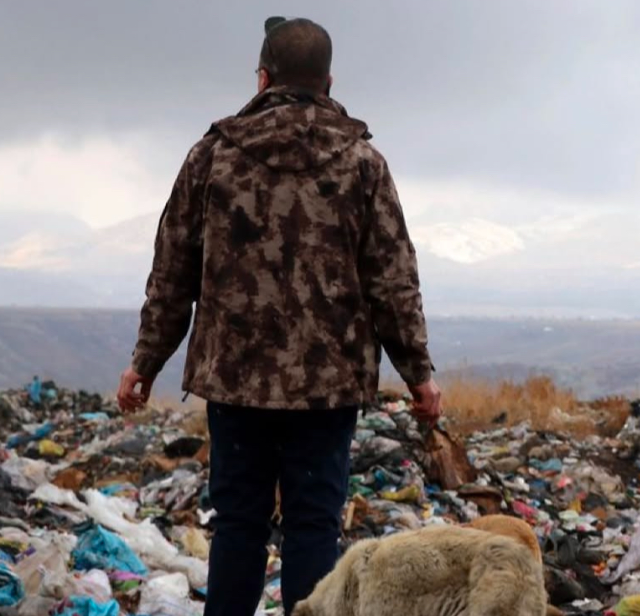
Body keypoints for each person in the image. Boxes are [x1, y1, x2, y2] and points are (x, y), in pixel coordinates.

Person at [116, 16, 442, 616]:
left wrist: (145, 362)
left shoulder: (211, 157)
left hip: (235, 383)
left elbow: (172, 272)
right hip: (327, 389)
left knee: (238, 524)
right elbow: (392, 280)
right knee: (313, 527)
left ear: (263, 77)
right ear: (328, 81)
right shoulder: (363, 164)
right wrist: (419, 372)